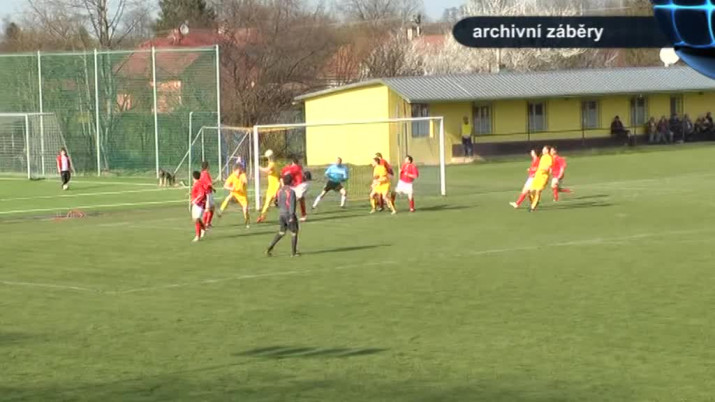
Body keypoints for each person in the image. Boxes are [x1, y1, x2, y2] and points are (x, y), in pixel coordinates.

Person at [265, 174, 300, 257]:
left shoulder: (280, 191)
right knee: (294, 232)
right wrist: (292, 216)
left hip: (281, 214)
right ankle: (293, 253)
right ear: (291, 182)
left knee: (282, 232)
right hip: (289, 214)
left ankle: (269, 248)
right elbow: (292, 205)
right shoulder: (291, 192)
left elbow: (276, 202)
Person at [220, 164, 250, 228]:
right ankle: (221, 210)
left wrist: (244, 181)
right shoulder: (231, 177)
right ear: (234, 171)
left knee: (245, 209)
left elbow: (246, 181)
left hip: (242, 195)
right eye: (238, 172)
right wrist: (231, 188)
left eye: (240, 172)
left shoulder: (242, 175)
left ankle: (247, 220)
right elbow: (225, 186)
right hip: (234, 193)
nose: (239, 173)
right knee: (228, 198)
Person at [256, 150, 281, 224]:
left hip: (276, 187)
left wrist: (259, 167)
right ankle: (262, 216)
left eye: (267, 158)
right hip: (271, 188)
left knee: (280, 203)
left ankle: (288, 216)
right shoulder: (272, 164)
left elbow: (267, 170)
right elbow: (269, 171)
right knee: (267, 203)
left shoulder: (272, 164)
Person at [528, 145, 553, 212]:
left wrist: (545, 169)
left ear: (547, 150)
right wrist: (533, 170)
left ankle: (532, 207)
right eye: (543, 149)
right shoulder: (542, 157)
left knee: (538, 191)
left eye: (544, 149)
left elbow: (548, 168)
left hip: (543, 177)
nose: (543, 150)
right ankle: (534, 202)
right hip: (537, 176)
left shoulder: (549, 158)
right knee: (530, 191)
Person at [190, 171, 207, 242]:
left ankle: (198, 236)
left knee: (196, 219)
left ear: (193, 177)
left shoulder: (198, 184)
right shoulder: (196, 184)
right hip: (196, 204)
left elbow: (202, 194)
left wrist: (195, 200)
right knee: (195, 219)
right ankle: (204, 228)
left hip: (200, 204)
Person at [199, 161, 216, 228]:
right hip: (207, 193)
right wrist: (214, 183)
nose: (209, 166)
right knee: (208, 209)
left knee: (212, 208)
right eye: (208, 165)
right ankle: (205, 224)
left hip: (208, 192)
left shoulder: (202, 173)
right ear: (207, 166)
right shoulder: (205, 174)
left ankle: (208, 223)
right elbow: (209, 183)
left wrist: (213, 189)